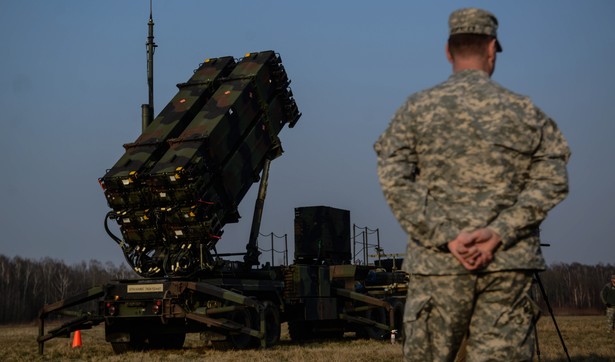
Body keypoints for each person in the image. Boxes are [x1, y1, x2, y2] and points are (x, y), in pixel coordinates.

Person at [374, 8, 570, 362]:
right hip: (506, 267)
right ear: (492, 48)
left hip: (438, 267)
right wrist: (499, 232)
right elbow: (553, 179)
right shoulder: (524, 111)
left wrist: (447, 235)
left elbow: (394, 178)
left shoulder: (417, 110)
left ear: (448, 51)